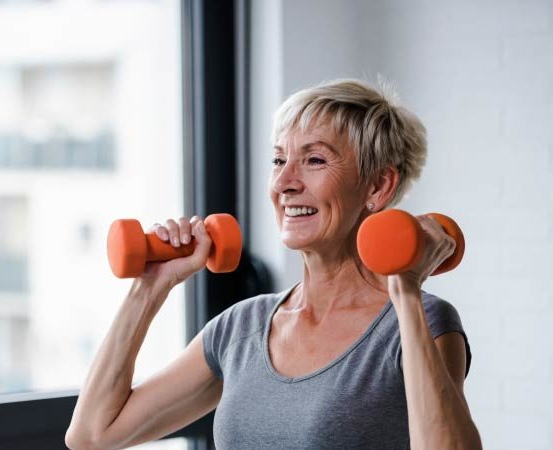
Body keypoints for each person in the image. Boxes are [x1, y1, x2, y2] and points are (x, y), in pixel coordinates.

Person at [65, 79, 482, 450]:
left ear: (378, 185)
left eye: (314, 160)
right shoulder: (240, 328)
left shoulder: (421, 322)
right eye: (279, 160)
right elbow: (93, 435)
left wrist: (405, 291)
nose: (284, 183)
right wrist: (149, 288)